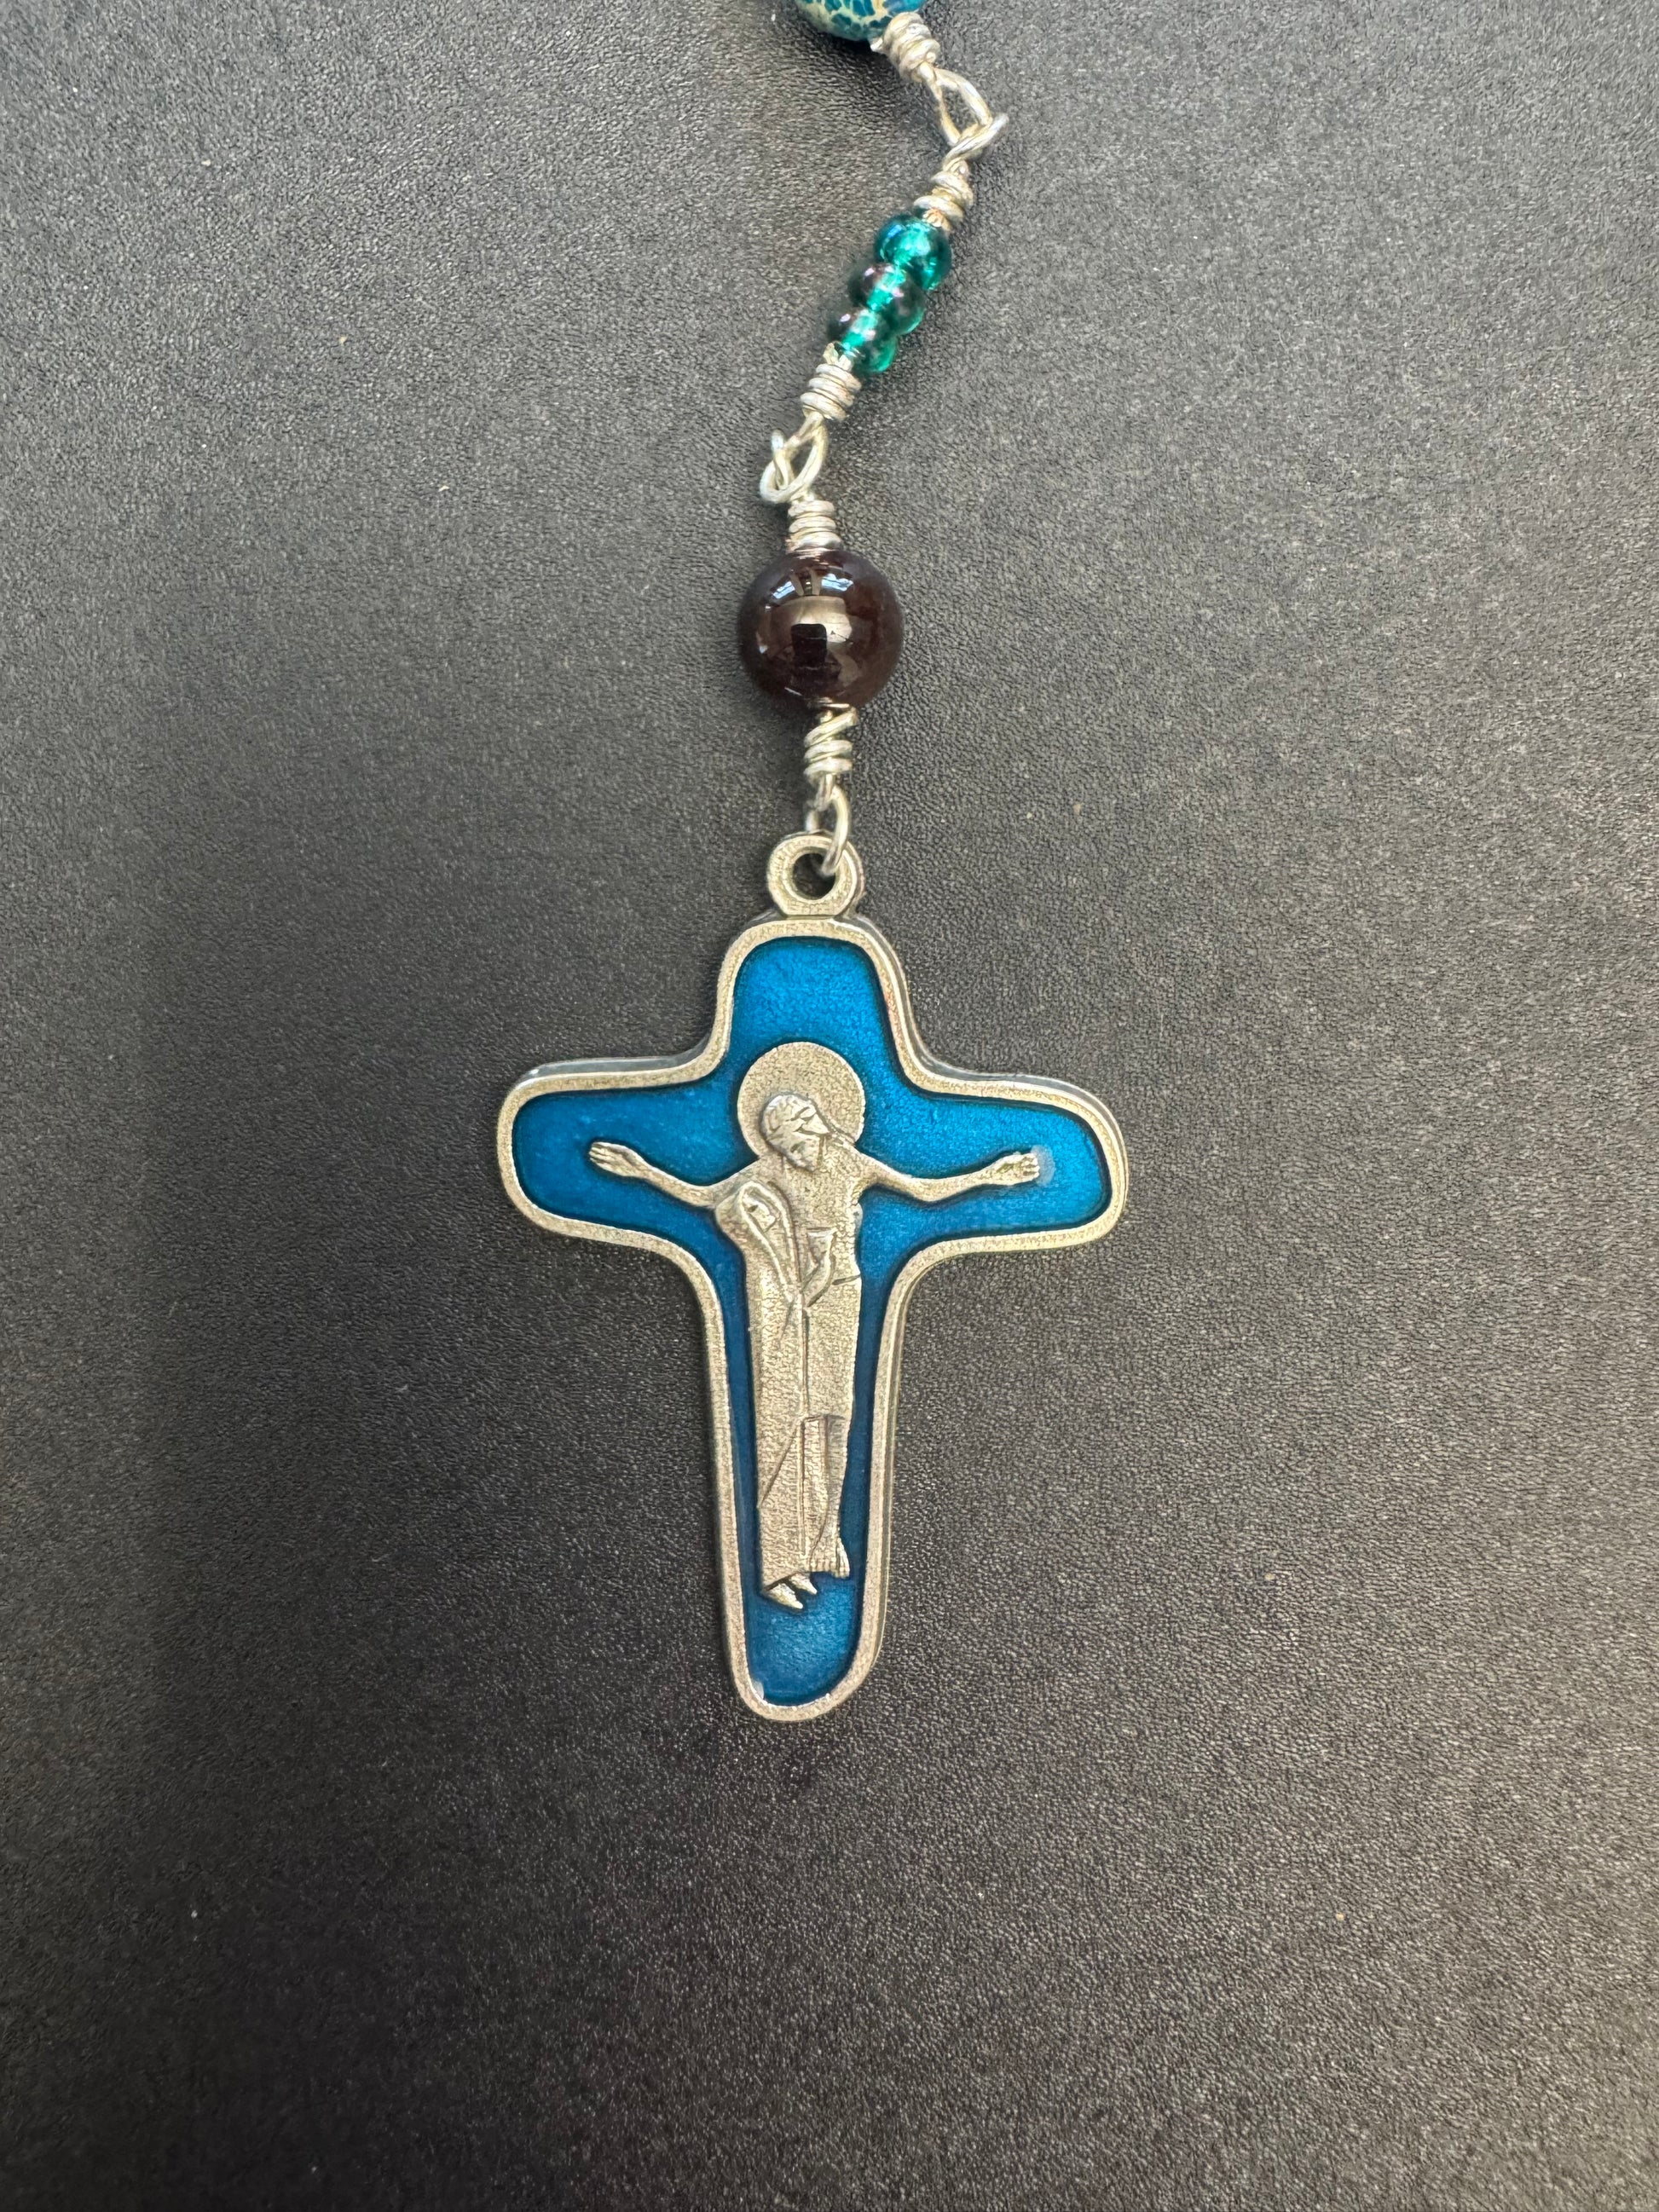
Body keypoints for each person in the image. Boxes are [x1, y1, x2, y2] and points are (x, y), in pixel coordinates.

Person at [589, 1042, 1038, 1611]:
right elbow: (707, 1197)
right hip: (792, 1306)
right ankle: (785, 1554)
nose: (795, 1155)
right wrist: (642, 1171)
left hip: (840, 1301)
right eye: (784, 1148)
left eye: (799, 1142)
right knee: (788, 1421)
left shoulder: (851, 1163)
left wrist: (993, 1175)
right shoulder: (770, 1170)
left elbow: (923, 1190)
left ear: (820, 1127)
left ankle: (825, 1537)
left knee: (833, 1419)